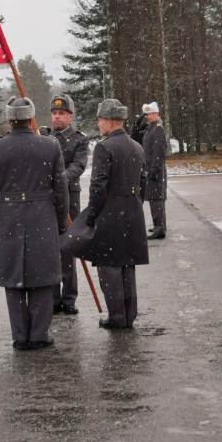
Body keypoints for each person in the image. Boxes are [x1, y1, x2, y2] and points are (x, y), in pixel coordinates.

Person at [0, 96, 69, 351]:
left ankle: (20, 335)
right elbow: (60, 190)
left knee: (13, 279)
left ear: (10, 119)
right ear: (31, 118)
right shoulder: (50, 146)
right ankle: (39, 334)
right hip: (42, 217)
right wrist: (61, 222)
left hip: (8, 218)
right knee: (42, 278)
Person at [61, 99, 148, 329]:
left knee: (109, 265)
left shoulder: (104, 147)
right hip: (133, 209)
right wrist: (135, 202)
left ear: (109, 121)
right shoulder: (136, 146)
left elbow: (98, 186)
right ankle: (129, 315)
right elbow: (144, 181)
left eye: (100, 120)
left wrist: (92, 216)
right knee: (127, 265)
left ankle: (116, 317)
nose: (98, 124)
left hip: (111, 211)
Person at [48, 94, 89, 314]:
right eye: (54, 113)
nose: (56, 117)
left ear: (70, 116)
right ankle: (53, 298)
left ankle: (69, 297)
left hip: (69, 199)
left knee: (68, 248)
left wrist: (59, 178)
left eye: (61, 113)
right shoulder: (43, 136)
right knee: (51, 249)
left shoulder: (80, 140)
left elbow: (79, 166)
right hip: (48, 200)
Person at [142, 102, 167, 240]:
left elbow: (159, 151)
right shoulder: (151, 128)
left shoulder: (158, 129)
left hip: (155, 169)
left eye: (150, 113)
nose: (147, 116)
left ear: (156, 114)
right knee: (154, 198)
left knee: (156, 199)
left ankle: (160, 228)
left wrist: (154, 170)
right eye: (147, 114)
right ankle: (160, 225)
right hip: (152, 168)